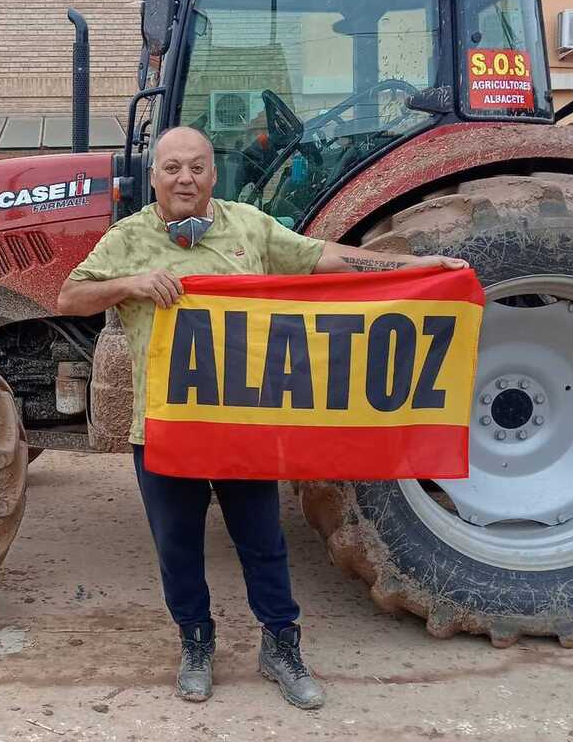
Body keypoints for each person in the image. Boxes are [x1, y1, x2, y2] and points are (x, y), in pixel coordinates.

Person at [57, 127, 467, 709]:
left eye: (197, 167)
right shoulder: (128, 239)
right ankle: (196, 643)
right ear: (153, 176)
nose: (185, 179)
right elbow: (69, 297)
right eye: (172, 168)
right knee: (178, 545)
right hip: (165, 428)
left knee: (262, 541)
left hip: (241, 424)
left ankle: (281, 645)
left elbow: (320, 256)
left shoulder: (248, 226)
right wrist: (134, 283)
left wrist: (416, 265)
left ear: (212, 174)